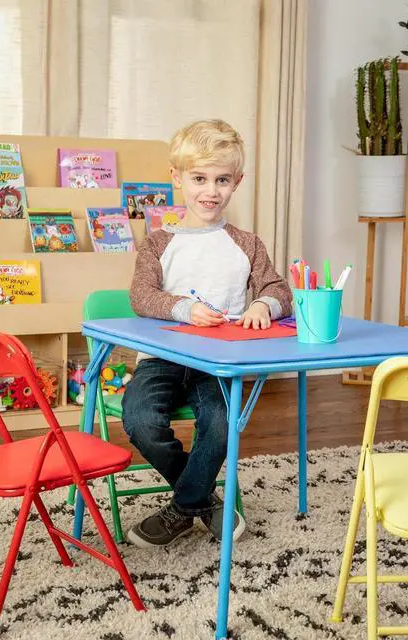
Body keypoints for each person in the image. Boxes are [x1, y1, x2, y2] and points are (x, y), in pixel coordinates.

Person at [123, 118, 292, 548]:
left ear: (237, 181)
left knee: (221, 424)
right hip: (161, 359)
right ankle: (202, 499)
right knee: (140, 421)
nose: (210, 191)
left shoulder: (247, 244)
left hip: (218, 362)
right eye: (199, 179)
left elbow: (278, 289)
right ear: (177, 178)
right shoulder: (157, 242)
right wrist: (184, 308)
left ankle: (183, 507)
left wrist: (262, 304)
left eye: (222, 180)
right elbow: (141, 295)